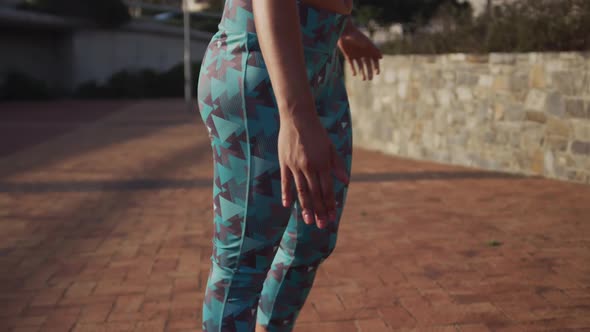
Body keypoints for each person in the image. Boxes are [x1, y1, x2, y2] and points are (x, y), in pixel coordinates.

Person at [196, 0, 382, 331]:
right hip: (258, 69)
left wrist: (343, 27)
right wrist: (296, 115)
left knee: (312, 238)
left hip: (320, 70)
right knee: (243, 264)